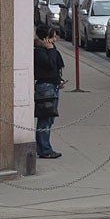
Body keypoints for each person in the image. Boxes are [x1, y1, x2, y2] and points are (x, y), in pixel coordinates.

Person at [34, 26, 65, 159]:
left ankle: (44, 147)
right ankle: (44, 149)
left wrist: (59, 80)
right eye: (52, 37)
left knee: (49, 119)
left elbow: (56, 66)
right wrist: (51, 50)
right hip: (45, 87)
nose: (55, 40)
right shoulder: (39, 51)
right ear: (45, 38)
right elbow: (49, 64)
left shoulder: (49, 50)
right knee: (45, 119)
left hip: (53, 85)